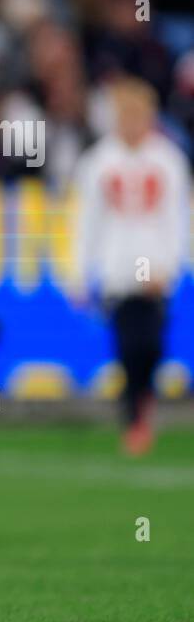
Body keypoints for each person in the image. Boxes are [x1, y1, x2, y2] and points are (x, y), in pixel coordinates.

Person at [74, 77, 191, 456]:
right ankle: (135, 415)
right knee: (128, 343)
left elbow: (178, 217)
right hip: (117, 267)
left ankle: (141, 406)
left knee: (151, 342)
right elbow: (86, 219)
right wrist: (80, 270)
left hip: (155, 264)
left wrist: (172, 265)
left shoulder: (168, 159)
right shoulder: (98, 162)